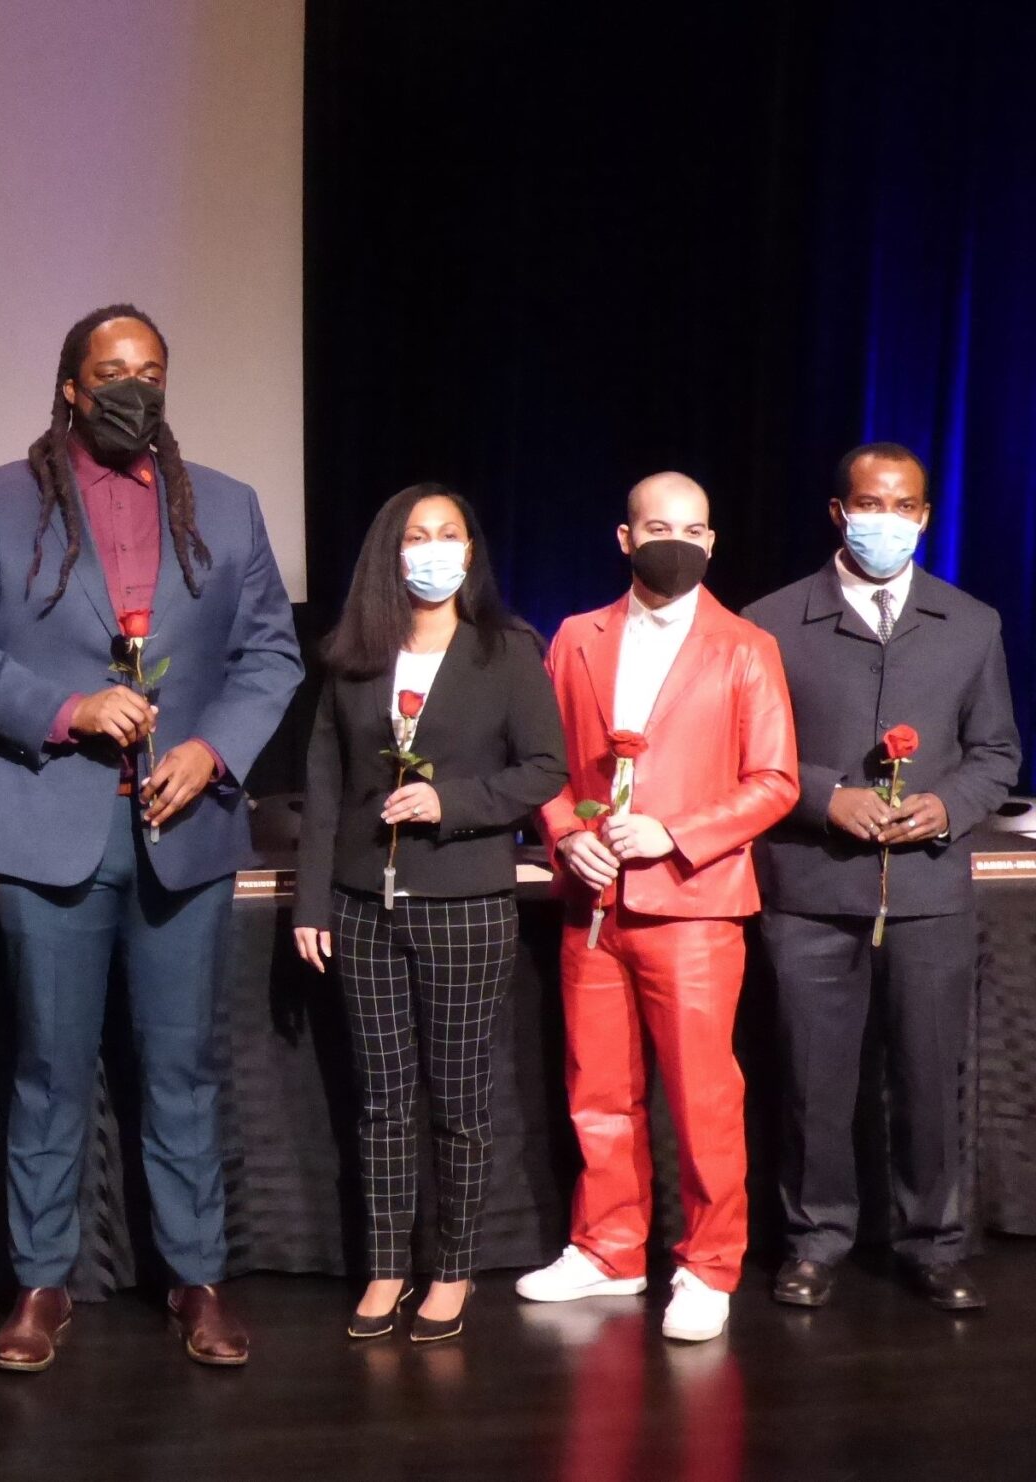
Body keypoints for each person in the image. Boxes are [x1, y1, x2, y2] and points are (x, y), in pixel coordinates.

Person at [0, 303, 303, 1371]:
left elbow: (271, 656)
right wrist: (67, 709)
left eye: (152, 369)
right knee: (48, 1065)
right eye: (112, 370)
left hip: (187, 828)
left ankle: (197, 1280)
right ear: (73, 387)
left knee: (183, 1067)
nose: (134, 386)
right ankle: (42, 1285)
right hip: (51, 824)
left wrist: (214, 751)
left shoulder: (225, 505)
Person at [518, 472, 798, 1343]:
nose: (675, 538)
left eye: (692, 527)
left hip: (694, 905)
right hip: (593, 899)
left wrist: (674, 833)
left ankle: (709, 1266)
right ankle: (608, 1249)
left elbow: (775, 782)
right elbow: (545, 762)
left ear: (712, 543)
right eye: (656, 525)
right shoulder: (575, 636)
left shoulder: (745, 646)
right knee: (597, 1087)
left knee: (703, 1093)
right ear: (625, 536)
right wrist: (567, 832)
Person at [744, 442, 1019, 1311]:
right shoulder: (772, 621)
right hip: (813, 891)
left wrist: (944, 806)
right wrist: (828, 797)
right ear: (839, 513)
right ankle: (815, 1240)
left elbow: (998, 753)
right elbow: (753, 750)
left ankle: (933, 1243)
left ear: (926, 517)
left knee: (932, 1077)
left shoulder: (971, 622)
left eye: (904, 508)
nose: (886, 522)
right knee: (813, 1080)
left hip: (930, 892)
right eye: (870, 505)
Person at [292, 483, 566, 1343]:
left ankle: (451, 1269)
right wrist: (312, 900)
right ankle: (385, 1267)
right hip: (363, 904)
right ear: (390, 551)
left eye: (450, 534)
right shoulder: (353, 657)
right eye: (417, 535)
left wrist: (452, 801)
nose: (434, 550)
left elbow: (546, 769)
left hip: (465, 903)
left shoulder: (508, 652)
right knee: (380, 1101)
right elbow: (325, 785)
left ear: (472, 554)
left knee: (458, 1098)